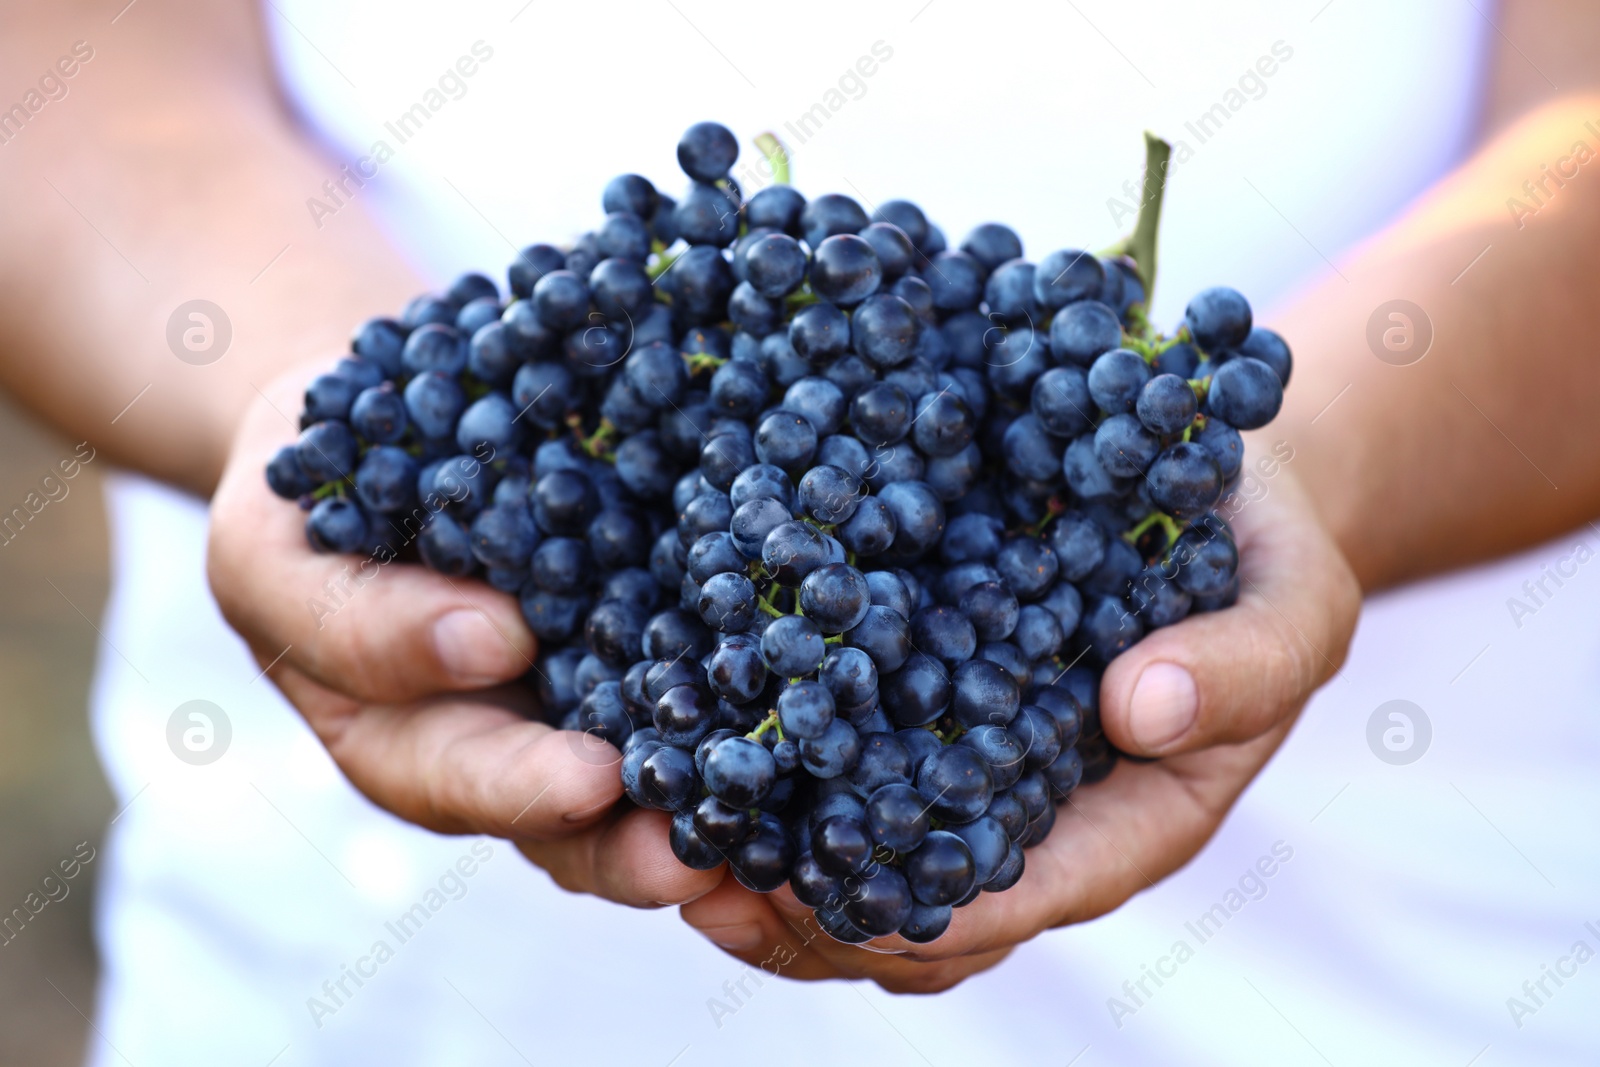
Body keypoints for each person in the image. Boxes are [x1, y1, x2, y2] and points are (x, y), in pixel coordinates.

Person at [1, 0, 1596, 1061]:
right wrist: (287, 370)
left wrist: (1331, 462)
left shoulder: (1068, 462)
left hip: (1392, 996)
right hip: (356, 995)